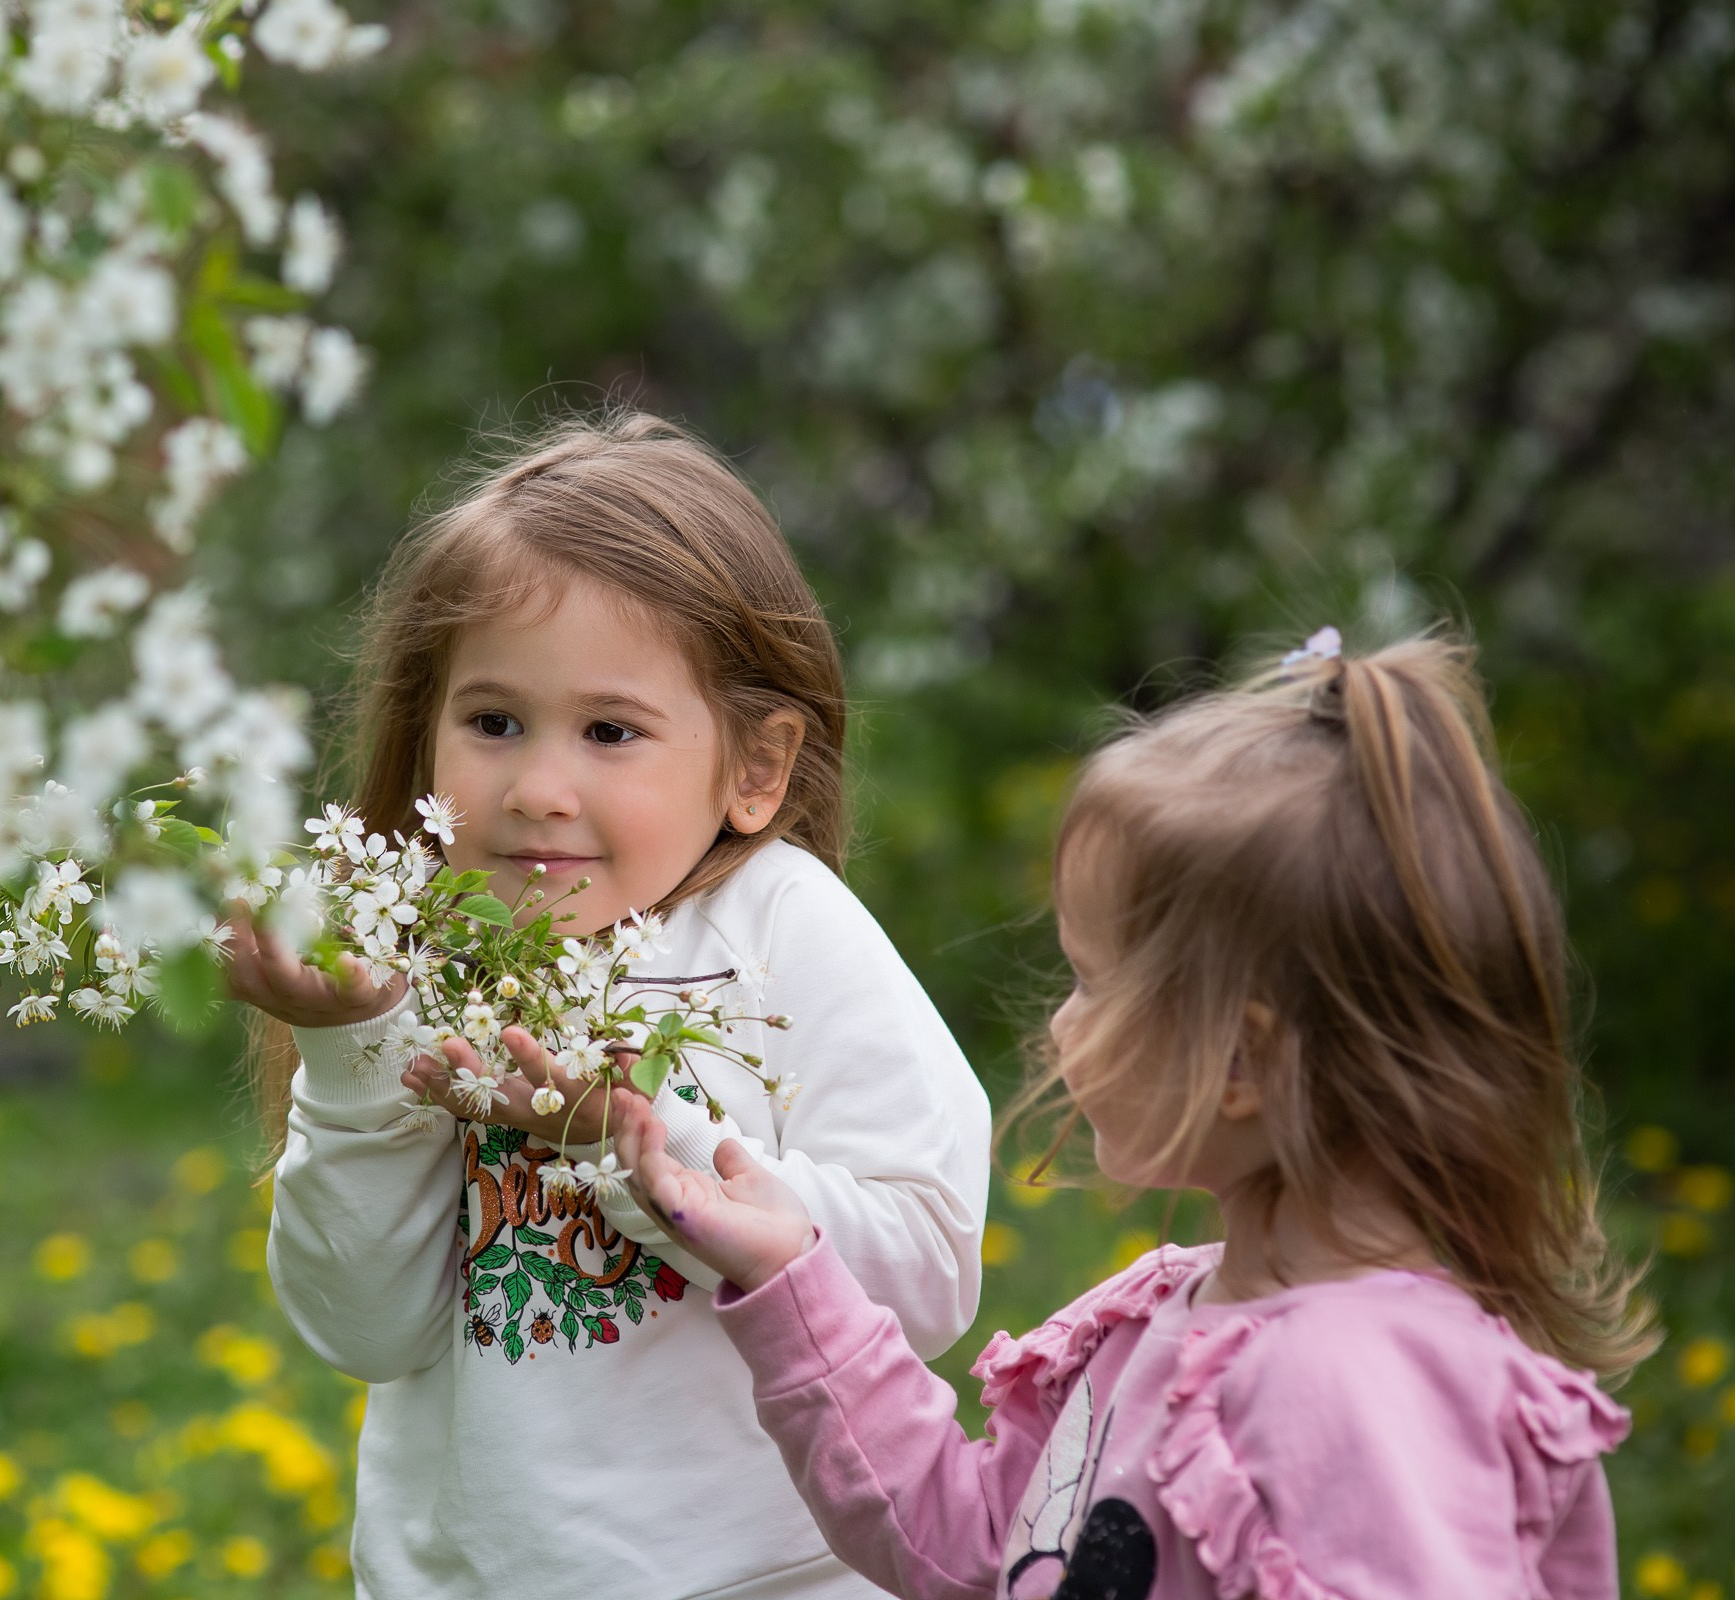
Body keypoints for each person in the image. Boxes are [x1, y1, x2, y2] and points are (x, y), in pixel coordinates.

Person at [616, 630, 1653, 1600]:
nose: (1059, 1026)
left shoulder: (1356, 1395)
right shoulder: (1176, 1314)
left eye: (1094, 982)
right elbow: (981, 1545)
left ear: (1241, 1060)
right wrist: (793, 1273)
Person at [225, 411, 992, 1598]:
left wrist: (648, 1149)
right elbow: (362, 1327)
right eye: (493, 723)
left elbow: (930, 1270)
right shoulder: (410, 957)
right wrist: (349, 1052)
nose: (538, 788)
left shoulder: (783, 931)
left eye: (610, 731)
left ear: (754, 769)